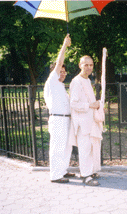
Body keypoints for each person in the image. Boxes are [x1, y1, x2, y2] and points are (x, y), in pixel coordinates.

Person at [44, 34, 75, 183]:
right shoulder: (52, 81)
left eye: (64, 72)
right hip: (57, 119)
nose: (62, 74)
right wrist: (64, 45)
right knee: (57, 147)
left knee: (66, 146)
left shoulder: (62, 87)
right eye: (60, 71)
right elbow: (59, 61)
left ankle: (62, 170)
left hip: (65, 120)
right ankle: (55, 175)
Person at [69, 55, 103, 186]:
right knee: (84, 149)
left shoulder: (87, 80)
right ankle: (85, 176)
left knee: (90, 148)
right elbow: (74, 104)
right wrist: (90, 105)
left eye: (91, 65)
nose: (89, 68)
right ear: (80, 65)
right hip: (82, 123)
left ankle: (90, 171)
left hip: (90, 121)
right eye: (86, 65)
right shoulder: (76, 81)